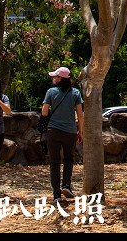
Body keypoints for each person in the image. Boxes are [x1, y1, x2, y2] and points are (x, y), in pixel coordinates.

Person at [40, 66, 84, 202]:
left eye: (55, 77)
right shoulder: (75, 92)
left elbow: (44, 112)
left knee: (54, 162)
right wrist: (80, 132)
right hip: (70, 131)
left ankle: (56, 194)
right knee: (69, 159)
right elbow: (80, 115)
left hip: (53, 131)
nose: (53, 79)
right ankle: (66, 185)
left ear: (60, 78)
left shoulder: (51, 92)